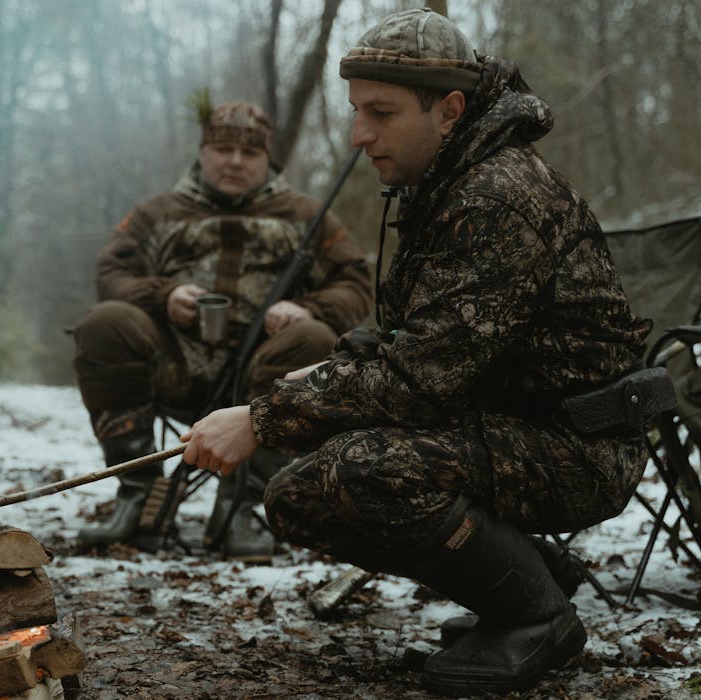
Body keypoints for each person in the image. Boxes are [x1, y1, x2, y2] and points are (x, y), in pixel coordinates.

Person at [180, 8, 664, 696]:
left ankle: (537, 619)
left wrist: (261, 418)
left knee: (361, 471)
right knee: (297, 496)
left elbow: (417, 377)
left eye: (380, 113)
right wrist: (331, 367)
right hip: (503, 426)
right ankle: (528, 577)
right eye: (355, 111)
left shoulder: (499, 195)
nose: (358, 135)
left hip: (578, 443)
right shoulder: (442, 184)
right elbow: (414, 335)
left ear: (450, 110)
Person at [72, 99, 372, 562]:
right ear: (203, 152)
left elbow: (356, 283)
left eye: (249, 153)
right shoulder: (158, 212)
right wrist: (163, 296)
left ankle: (246, 507)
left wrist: (305, 307)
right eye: (223, 149)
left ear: (267, 159)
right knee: (105, 323)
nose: (235, 161)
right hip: (174, 365)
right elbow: (112, 273)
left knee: (313, 338)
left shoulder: (305, 216)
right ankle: (137, 492)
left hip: (267, 374)